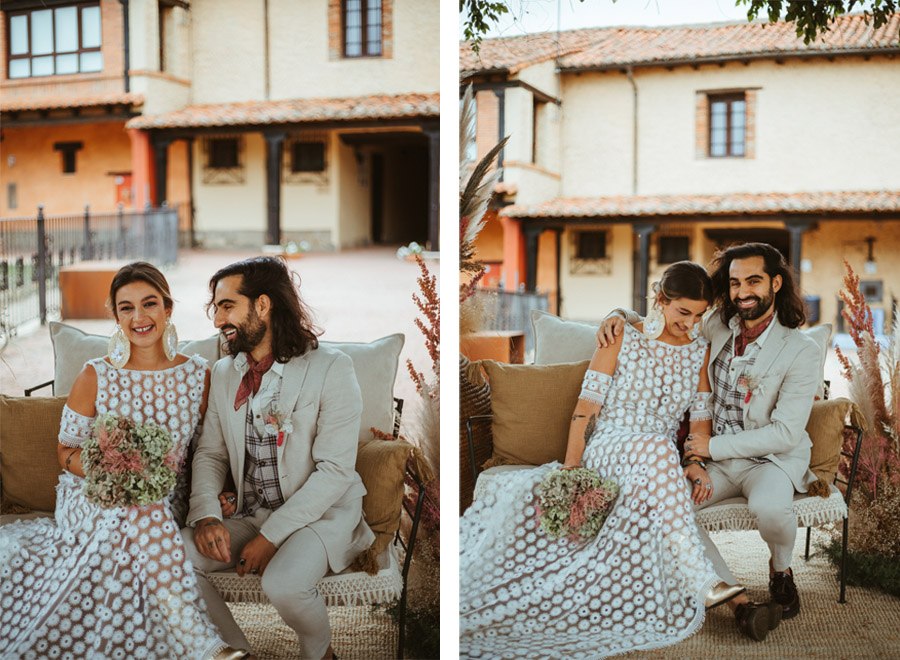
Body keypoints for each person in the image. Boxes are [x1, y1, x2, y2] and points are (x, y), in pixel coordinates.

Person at [459, 261, 777, 659]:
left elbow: (699, 417)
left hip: (652, 460)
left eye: (699, 315)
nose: (690, 324)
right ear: (660, 300)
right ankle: (707, 583)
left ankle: (738, 604)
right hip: (611, 445)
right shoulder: (622, 336)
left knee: (663, 470)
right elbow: (587, 408)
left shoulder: (700, 350)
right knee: (659, 453)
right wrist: (573, 469)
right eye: (683, 312)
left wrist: (694, 462)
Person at [0, 262, 243, 659]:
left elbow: (208, 450)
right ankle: (201, 643)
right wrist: (112, 467)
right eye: (126, 308)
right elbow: (66, 452)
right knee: (134, 503)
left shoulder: (200, 376)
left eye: (149, 304)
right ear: (115, 316)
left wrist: (223, 492)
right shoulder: (95, 375)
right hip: (94, 494)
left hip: (168, 498)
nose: (139, 317)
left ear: (167, 309)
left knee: (144, 503)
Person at [598, 242, 819, 624]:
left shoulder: (802, 349)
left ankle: (781, 573)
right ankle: (728, 595)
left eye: (754, 281)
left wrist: (709, 446)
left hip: (770, 460)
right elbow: (667, 313)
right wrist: (617, 314)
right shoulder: (717, 323)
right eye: (734, 283)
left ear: (776, 283)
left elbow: (785, 432)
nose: (743, 292)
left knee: (770, 509)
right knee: (668, 508)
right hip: (715, 462)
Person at [180, 257, 374, 660]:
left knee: (284, 584)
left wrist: (271, 538)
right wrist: (206, 515)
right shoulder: (224, 372)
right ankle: (236, 653)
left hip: (321, 515)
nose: (218, 320)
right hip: (250, 515)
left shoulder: (331, 368)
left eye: (227, 305)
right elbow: (211, 453)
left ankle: (320, 654)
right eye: (215, 308)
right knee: (172, 556)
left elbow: (335, 471)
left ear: (263, 305)